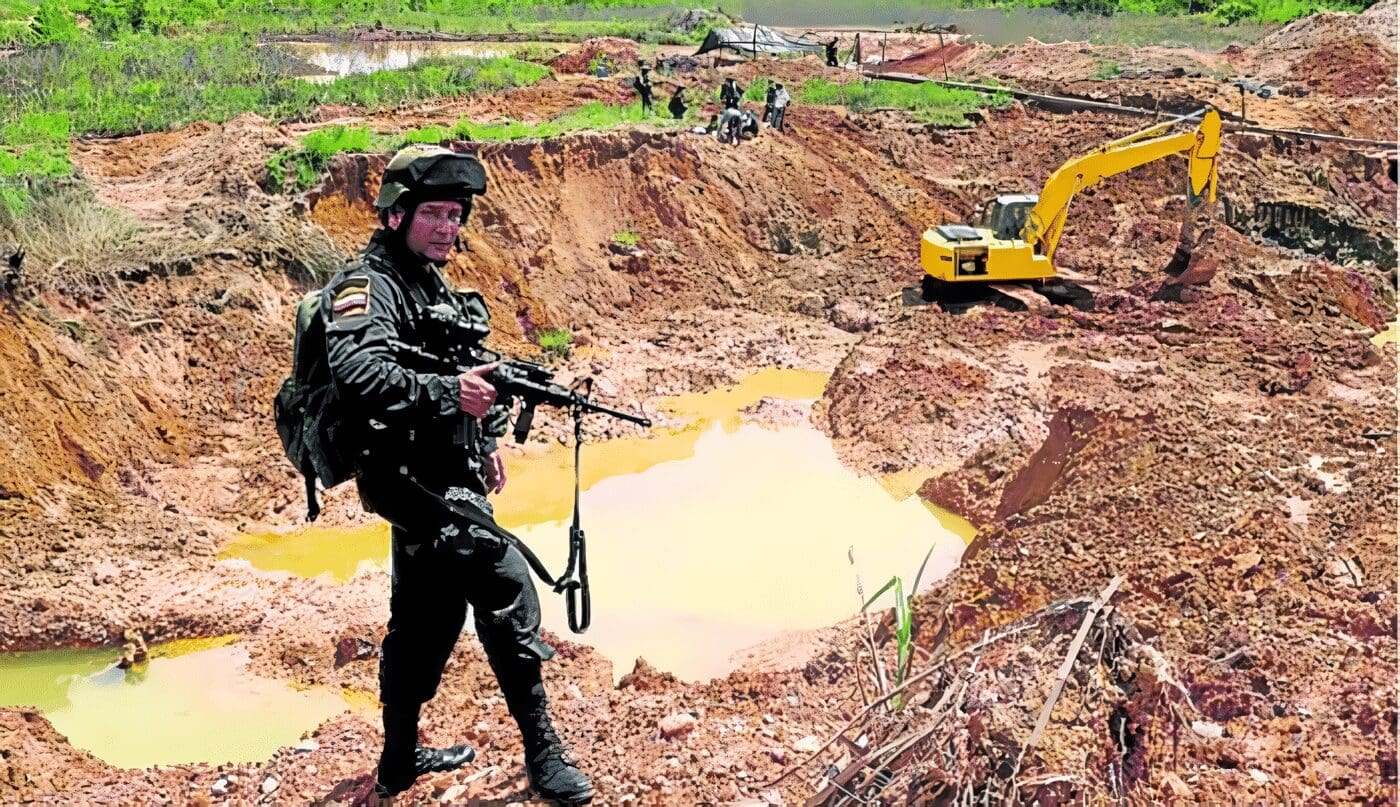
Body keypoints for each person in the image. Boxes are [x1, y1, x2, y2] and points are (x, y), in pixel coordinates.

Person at [321, 145, 594, 804]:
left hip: (445, 467)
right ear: (396, 215)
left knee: (426, 618)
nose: (447, 227)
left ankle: (396, 760)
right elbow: (360, 376)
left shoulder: (428, 280)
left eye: (454, 215)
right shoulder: (367, 286)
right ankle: (543, 751)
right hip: (406, 475)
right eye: (433, 214)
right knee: (503, 578)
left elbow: (463, 363)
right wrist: (454, 397)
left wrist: (486, 435)